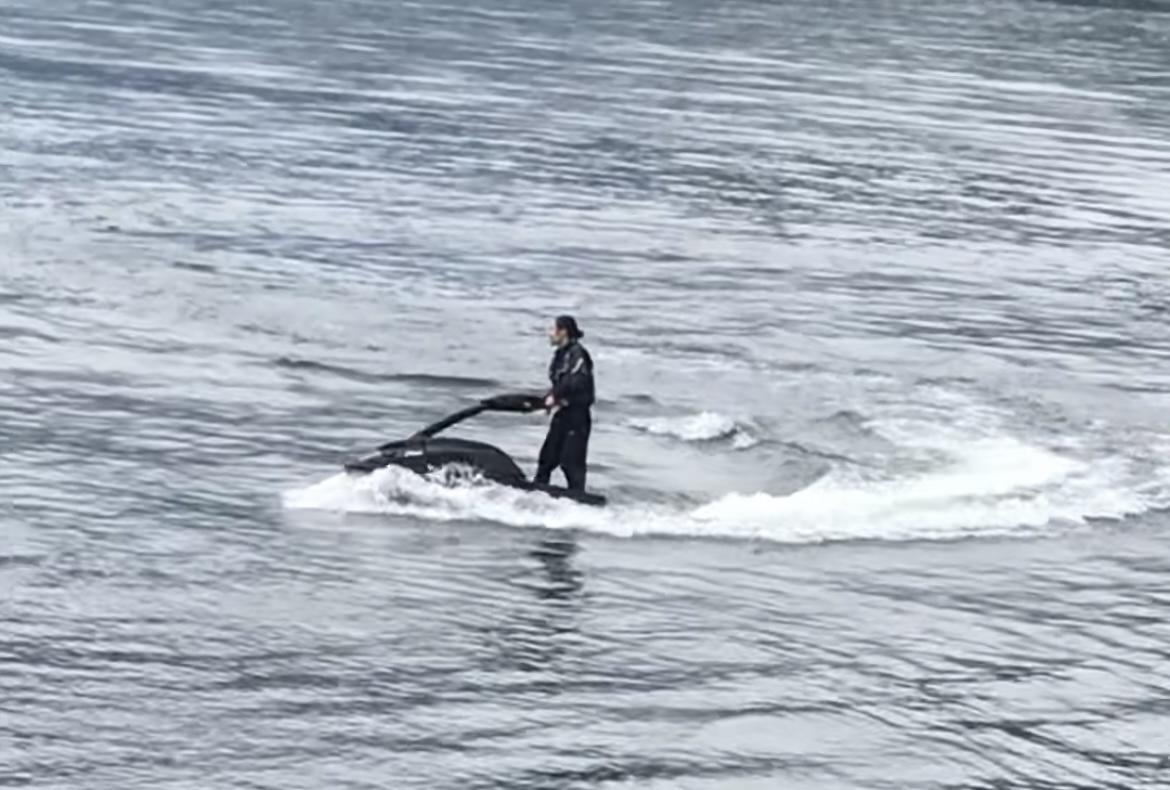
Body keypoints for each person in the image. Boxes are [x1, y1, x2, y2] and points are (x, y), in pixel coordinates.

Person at [534, 315, 595, 491]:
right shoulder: (560, 355)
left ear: (563, 332)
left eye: (553, 330)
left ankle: (578, 500)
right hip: (563, 414)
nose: (550, 334)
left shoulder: (578, 354)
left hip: (577, 417)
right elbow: (559, 383)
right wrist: (549, 399)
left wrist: (556, 395)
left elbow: (576, 381)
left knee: (571, 463)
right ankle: (536, 493)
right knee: (547, 458)